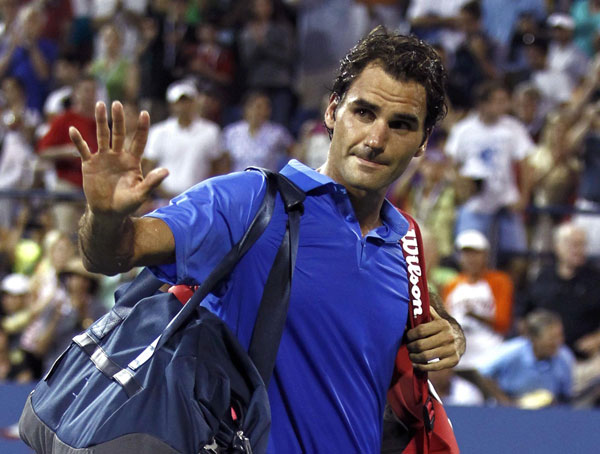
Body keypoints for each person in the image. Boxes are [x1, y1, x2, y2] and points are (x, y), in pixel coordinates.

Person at [69, 27, 465, 453]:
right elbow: (114, 252)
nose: (376, 139)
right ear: (332, 112)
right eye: (364, 112)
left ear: (423, 142)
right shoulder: (249, 202)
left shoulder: (405, 238)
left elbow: (416, 310)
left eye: (401, 125)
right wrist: (107, 218)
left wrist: (451, 332)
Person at [442, 230, 514, 374]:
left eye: (476, 253)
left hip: (490, 351)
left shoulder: (499, 281)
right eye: (466, 254)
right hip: (460, 353)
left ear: (485, 255)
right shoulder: (452, 285)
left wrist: (474, 315)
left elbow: (503, 323)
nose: (470, 258)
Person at [477, 309, 574, 408]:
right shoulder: (512, 351)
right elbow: (480, 373)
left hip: (546, 411)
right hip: (507, 408)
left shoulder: (564, 357)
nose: (558, 342)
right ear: (534, 338)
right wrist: (505, 401)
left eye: (560, 336)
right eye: (551, 338)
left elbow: (566, 396)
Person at [143, 80, 223, 199]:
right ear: (171, 105)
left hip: (199, 200)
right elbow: (148, 167)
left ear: (195, 103)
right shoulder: (158, 132)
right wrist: (164, 194)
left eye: (188, 101)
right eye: (179, 102)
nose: (184, 106)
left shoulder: (211, 131)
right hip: (164, 199)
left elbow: (217, 166)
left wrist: (204, 193)